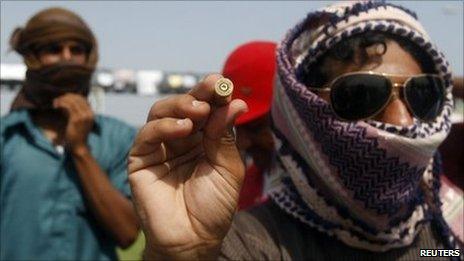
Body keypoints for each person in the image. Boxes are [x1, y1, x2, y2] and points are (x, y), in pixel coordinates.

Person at [128, 1, 463, 260]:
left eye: (423, 94)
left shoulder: (446, 237)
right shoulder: (254, 245)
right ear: (301, 115)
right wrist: (183, 255)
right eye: (363, 94)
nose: (404, 122)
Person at [1, 8, 138, 260]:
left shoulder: (120, 138)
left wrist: (80, 150)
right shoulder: (6, 137)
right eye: (54, 49)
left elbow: (127, 232)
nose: (67, 58)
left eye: (77, 50)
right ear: (33, 58)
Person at [222, 41, 276, 209]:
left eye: (256, 127)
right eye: (237, 129)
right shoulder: (248, 186)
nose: (243, 143)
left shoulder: (335, 192)